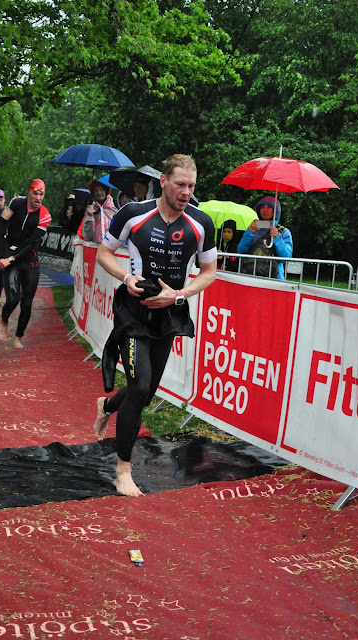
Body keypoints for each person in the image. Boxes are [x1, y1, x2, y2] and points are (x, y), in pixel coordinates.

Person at [94, 154, 217, 497]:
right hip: (133, 312)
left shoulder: (201, 222)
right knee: (139, 386)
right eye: (180, 184)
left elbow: (209, 272)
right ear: (163, 181)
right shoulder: (133, 213)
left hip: (168, 314)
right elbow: (104, 253)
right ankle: (123, 469)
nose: (186, 192)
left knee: (145, 392)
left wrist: (178, 295)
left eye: (191, 186)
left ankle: (106, 406)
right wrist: (127, 277)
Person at [0, 179, 51, 348]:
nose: (38, 197)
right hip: (10, 253)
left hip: (29, 259)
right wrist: (2, 253)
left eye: (41, 194)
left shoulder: (45, 216)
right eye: (35, 193)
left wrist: (10, 259)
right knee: (13, 299)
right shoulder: (16, 202)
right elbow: (1, 223)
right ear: (29, 192)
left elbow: (31, 243)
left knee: (27, 303)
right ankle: (4, 321)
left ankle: (18, 336)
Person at [237, 196, 293, 279]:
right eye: (262, 207)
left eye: (269, 207)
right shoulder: (253, 228)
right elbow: (240, 251)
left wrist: (277, 238)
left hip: (274, 279)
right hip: (249, 277)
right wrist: (249, 233)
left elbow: (285, 258)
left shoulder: (283, 232)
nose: (265, 210)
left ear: (276, 210)